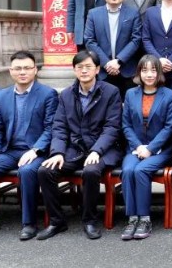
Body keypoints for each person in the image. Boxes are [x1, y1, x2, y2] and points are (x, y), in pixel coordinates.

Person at [0, 51, 58, 241]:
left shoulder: (48, 94)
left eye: (27, 68)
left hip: (36, 151)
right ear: (11, 71)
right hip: (9, 150)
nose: (22, 72)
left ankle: (29, 223)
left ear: (35, 70)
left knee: (27, 170)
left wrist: (35, 150)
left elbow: (51, 128)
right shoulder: (3, 96)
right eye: (18, 68)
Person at [36, 50, 122, 241]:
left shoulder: (111, 92)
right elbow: (59, 127)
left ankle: (89, 220)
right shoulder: (66, 95)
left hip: (105, 149)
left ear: (97, 69)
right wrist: (57, 152)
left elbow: (112, 127)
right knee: (45, 170)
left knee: (91, 171)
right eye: (79, 67)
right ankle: (57, 221)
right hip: (75, 149)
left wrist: (97, 150)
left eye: (88, 67)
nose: (84, 71)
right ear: (74, 70)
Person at [119, 55, 172, 241]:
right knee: (128, 170)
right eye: (145, 70)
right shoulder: (130, 94)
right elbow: (126, 125)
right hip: (135, 147)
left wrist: (150, 148)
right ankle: (132, 218)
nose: (149, 74)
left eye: (153, 70)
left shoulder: (169, 95)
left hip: (160, 149)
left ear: (159, 72)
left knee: (141, 170)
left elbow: (169, 127)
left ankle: (144, 219)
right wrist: (138, 146)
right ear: (139, 73)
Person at [84, 0, 142, 99]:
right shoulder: (93, 14)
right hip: (103, 71)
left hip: (127, 70)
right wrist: (107, 63)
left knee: (128, 105)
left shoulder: (133, 13)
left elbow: (136, 39)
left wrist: (118, 61)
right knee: (103, 105)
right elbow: (89, 40)